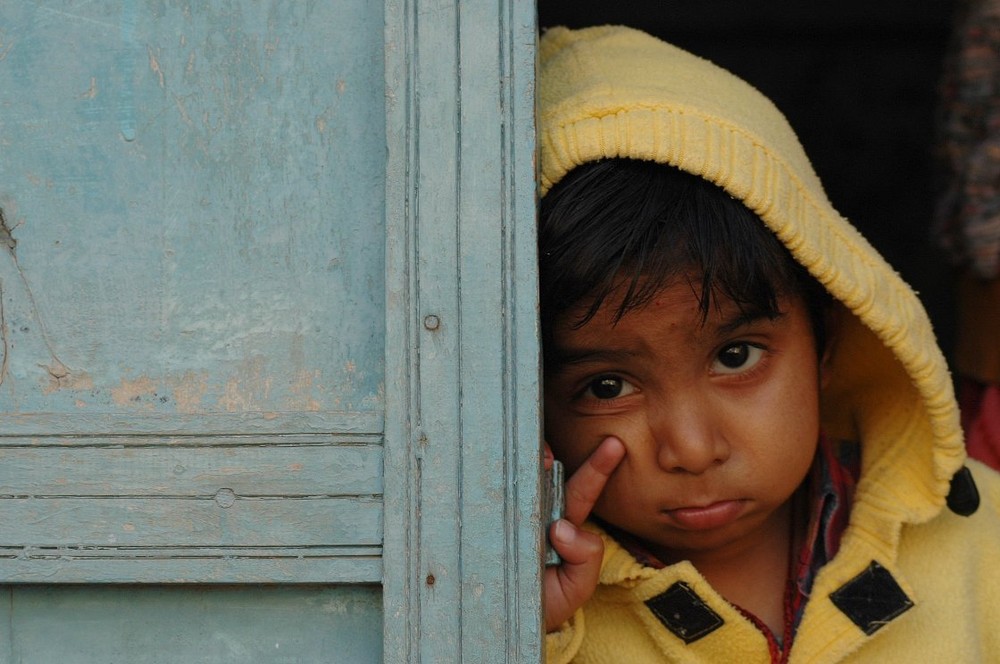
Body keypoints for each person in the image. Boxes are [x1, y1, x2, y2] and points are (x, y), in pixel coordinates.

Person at [538, 25, 1000, 663]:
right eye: (607, 386)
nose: (693, 450)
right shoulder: (535, 611)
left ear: (829, 342)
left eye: (735, 357)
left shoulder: (983, 542)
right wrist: (516, 633)